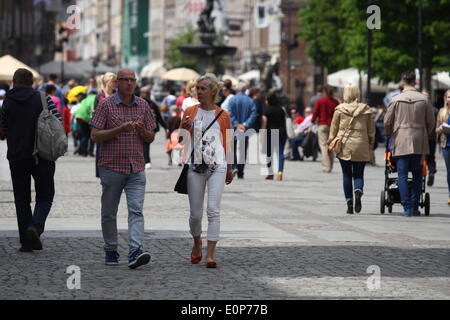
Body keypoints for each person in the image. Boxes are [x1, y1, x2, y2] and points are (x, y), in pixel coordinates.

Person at [90, 69, 157, 268]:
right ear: (116, 83)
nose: (129, 83)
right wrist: (120, 129)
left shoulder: (143, 105)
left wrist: (142, 130)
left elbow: (151, 137)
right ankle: (110, 249)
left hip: (136, 167)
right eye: (124, 80)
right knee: (109, 212)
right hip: (112, 167)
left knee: (136, 210)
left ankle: (135, 251)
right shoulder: (106, 104)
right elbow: (95, 135)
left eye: (132, 80)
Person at [0, 68, 62, 252]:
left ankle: (26, 243)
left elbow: (2, 130)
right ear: (31, 82)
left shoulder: (7, 102)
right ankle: (35, 226)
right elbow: (57, 121)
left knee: (21, 199)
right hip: (42, 155)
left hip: (17, 157)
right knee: (45, 195)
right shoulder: (43, 98)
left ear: (14, 81)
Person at [180, 73, 233, 268]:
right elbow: (180, 141)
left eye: (202, 89)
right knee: (195, 214)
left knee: (213, 210)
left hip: (217, 166)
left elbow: (227, 142)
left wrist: (230, 167)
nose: (198, 92)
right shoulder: (190, 111)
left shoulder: (223, 115)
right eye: (197, 88)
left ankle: (210, 255)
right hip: (195, 166)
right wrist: (184, 130)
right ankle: (196, 243)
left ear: (213, 91)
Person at [384, 71, 435, 216]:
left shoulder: (396, 99)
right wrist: (424, 131)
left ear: (403, 81)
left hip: (401, 139)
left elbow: (387, 122)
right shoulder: (424, 100)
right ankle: (414, 206)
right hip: (419, 139)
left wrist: (393, 133)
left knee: (402, 174)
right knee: (418, 173)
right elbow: (431, 122)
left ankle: (406, 207)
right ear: (415, 81)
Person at [327, 83, 375, 214]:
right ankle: (358, 191)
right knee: (359, 174)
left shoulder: (340, 109)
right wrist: (371, 142)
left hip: (344, 145)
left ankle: (349, 203)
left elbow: (333, 129)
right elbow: (371, 130)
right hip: (361, 144)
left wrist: (330, 142)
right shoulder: (366, 110)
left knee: (346, 174)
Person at [227, 82, 257, 179]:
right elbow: (253, 114)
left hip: (234, 127)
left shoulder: (232, 100)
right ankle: (241, 171)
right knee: (243, 149)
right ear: (245, 90)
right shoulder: (250, 101)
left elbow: (230, 113)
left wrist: (236, 124)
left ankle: (235, 166)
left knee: (233, 148)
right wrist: (245, 124)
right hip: (245, 128)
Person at [311, 85, 339, 173]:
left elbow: (315, 113)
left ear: (324, 92)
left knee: (323, 146)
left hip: (322, 125)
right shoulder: (335, 102)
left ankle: (326, 166)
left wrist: (312, 122)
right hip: (333, 126)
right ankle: (330, 165)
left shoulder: (320, 101)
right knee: (331, 146)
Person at [94, 73, 117, 177]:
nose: (116, 83)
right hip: (102, 129)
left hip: (116, 128)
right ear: (107, 82)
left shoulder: (118, 95)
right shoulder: (99, 96)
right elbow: (94, 114)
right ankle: (101, 173)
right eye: (114, 81)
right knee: (101, 151)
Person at [261, 90, 288, 181]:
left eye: (266, 100)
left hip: (271, 133)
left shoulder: (266, 110)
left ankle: (270, 173)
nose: (265, 101)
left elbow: (264, 123)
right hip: (282, 132)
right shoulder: (281, 109)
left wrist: (262, 135)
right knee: (280, 153)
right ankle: (280, 172)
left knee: (269, 154)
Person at [140, 85, 168, 169]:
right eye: (144, 93)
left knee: (145, 144)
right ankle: (145, 161)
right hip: (143, 127)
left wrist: (165, 127)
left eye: (146, 93)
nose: (145, 94)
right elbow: (159, 117)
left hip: (149, 128)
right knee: (144, 144)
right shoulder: (139, 103)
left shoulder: (152, 104)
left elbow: (159, 117)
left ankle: (146, 161)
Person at [435, 90, 450, 205]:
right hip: (446, 145)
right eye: (448, 97)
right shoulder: (441, 112)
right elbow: (436, 129)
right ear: (445, 99)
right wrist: (440, 129)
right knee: (449, 171)